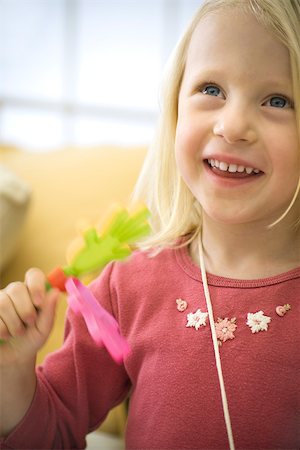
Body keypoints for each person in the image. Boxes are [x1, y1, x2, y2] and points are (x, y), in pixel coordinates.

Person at [0, 0, 299, 448]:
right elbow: (51, 432)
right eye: (211, 89)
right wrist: (11, 375)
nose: (233, 126)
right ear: (175, 108)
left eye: (278, 100)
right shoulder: (127, 285)